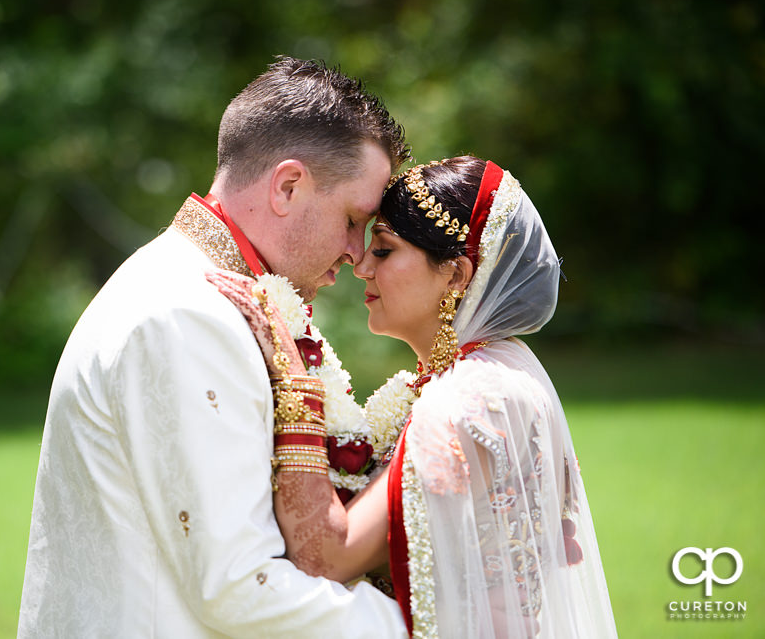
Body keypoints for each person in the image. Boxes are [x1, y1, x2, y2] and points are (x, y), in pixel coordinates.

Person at [16, 56, 411, 637]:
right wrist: (423, 622)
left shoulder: (207, 294)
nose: (358, 254)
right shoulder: (186, 315)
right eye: (354, 219)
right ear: (288, 186)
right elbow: (239, 587)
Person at [215, 156, 617, 637]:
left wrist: (289, 372)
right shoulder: (501, 373)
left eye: (383, 250)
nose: (360, 266)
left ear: (454, 275)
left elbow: (326, 555)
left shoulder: (471, 401)